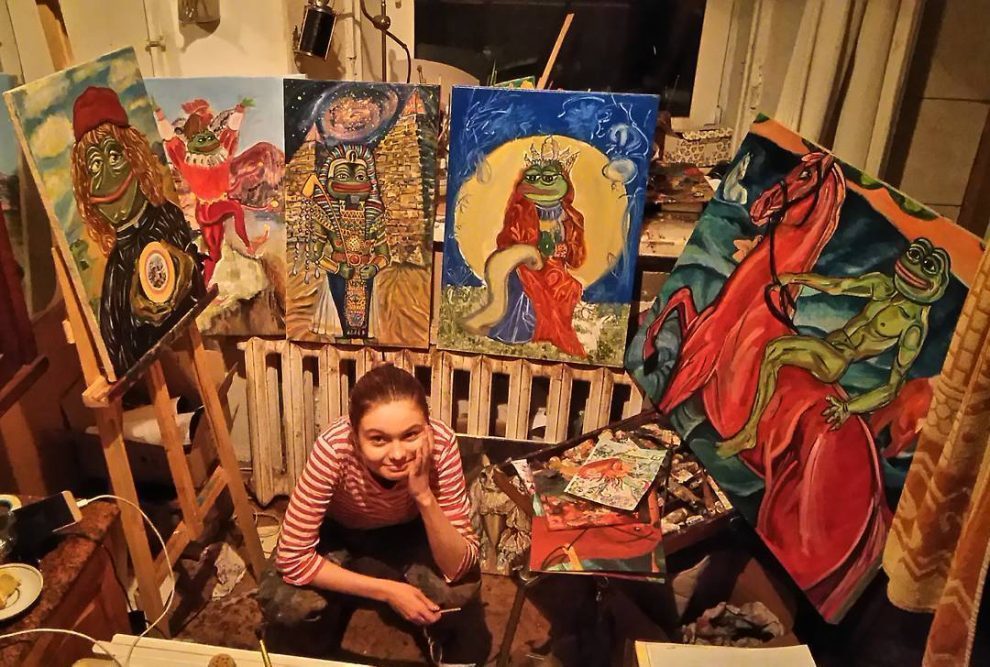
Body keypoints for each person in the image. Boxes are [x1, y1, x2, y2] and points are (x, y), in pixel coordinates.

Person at [261, 364, 491, 666]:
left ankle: (414, 618)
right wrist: (388, 592)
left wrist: (423, 495)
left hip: (409, 530)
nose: (397, 455)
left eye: (411, 435)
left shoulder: (441, 444)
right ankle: (340, 608)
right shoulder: (333, 449)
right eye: (378, 439)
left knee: (462, 605)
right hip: (340, 532)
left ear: (427, 429)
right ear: (355, 438)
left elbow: (459, 565)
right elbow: (292, 558)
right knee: (287, 607)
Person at [70, 86, 204, 376]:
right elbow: (118, 355)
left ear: (135, 157)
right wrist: (137, 323)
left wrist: (188, 274)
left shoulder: (169, 218)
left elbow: (197, 284)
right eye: (94, 165)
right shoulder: (115, 272)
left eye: (114, 156)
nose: (107, 176)